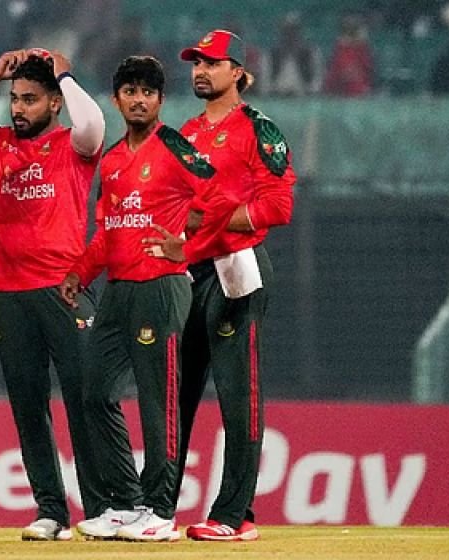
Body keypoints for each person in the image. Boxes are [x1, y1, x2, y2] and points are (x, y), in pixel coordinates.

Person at [0, 49, 105, 540]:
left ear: (54, 103)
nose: (18, 108)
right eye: (15, 99)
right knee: (29, 407)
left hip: (63, 290)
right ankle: (51, 511)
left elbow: (94, 126)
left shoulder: (73, 145)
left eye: (30, 99)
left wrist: (65, 75)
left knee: (84, 401)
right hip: (8, 294)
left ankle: (100, 508)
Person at [60, 56, 224, 542]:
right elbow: (109, 230)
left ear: (160, 100)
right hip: (118, 291)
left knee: (158, 401)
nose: (138, 100)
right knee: (94, 392)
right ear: (117, 99)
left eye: (147, 93)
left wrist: (187, 246)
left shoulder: (174, 146)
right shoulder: (111, 159)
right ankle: (125, 503)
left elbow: (218, 197)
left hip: (161, 286)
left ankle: (160, 510)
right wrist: (80, 272)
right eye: (130, 91)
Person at [144, 29, 296, 541]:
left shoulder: (259, 128)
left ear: (238, 71)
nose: (201, 71)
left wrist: (212, 223)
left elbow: (278, 206)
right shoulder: (187, 131)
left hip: (238, 266)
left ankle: (235, 515)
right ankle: (157, 509)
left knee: (237, 394)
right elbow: (181, 204)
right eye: (196, 63)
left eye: (212, 62)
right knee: (176, 393)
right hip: (192, 268)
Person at [323, 14, 374, 97]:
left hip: (355, 92)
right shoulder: (343, 50)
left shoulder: (362, 49)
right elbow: (347, 77)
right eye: (363, 31)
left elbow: (366, 72)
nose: (366, 34)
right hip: (342, 94)